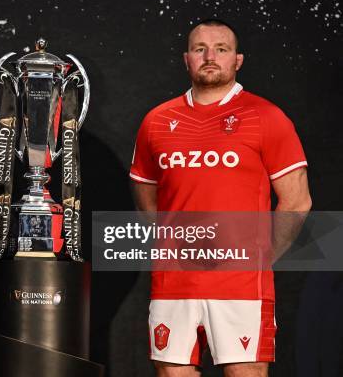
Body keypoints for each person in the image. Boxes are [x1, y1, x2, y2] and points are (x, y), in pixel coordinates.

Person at [130, 19, 311, 376]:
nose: (209, 56)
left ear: (237, 60)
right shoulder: (156, 121)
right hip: (174, 281)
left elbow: (297, 201)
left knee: (245, 373)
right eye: (200, 49)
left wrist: (260, 257)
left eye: (221, 49)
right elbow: (146, 195)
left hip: (240, 284)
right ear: (186, 59)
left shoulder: (266, 117)